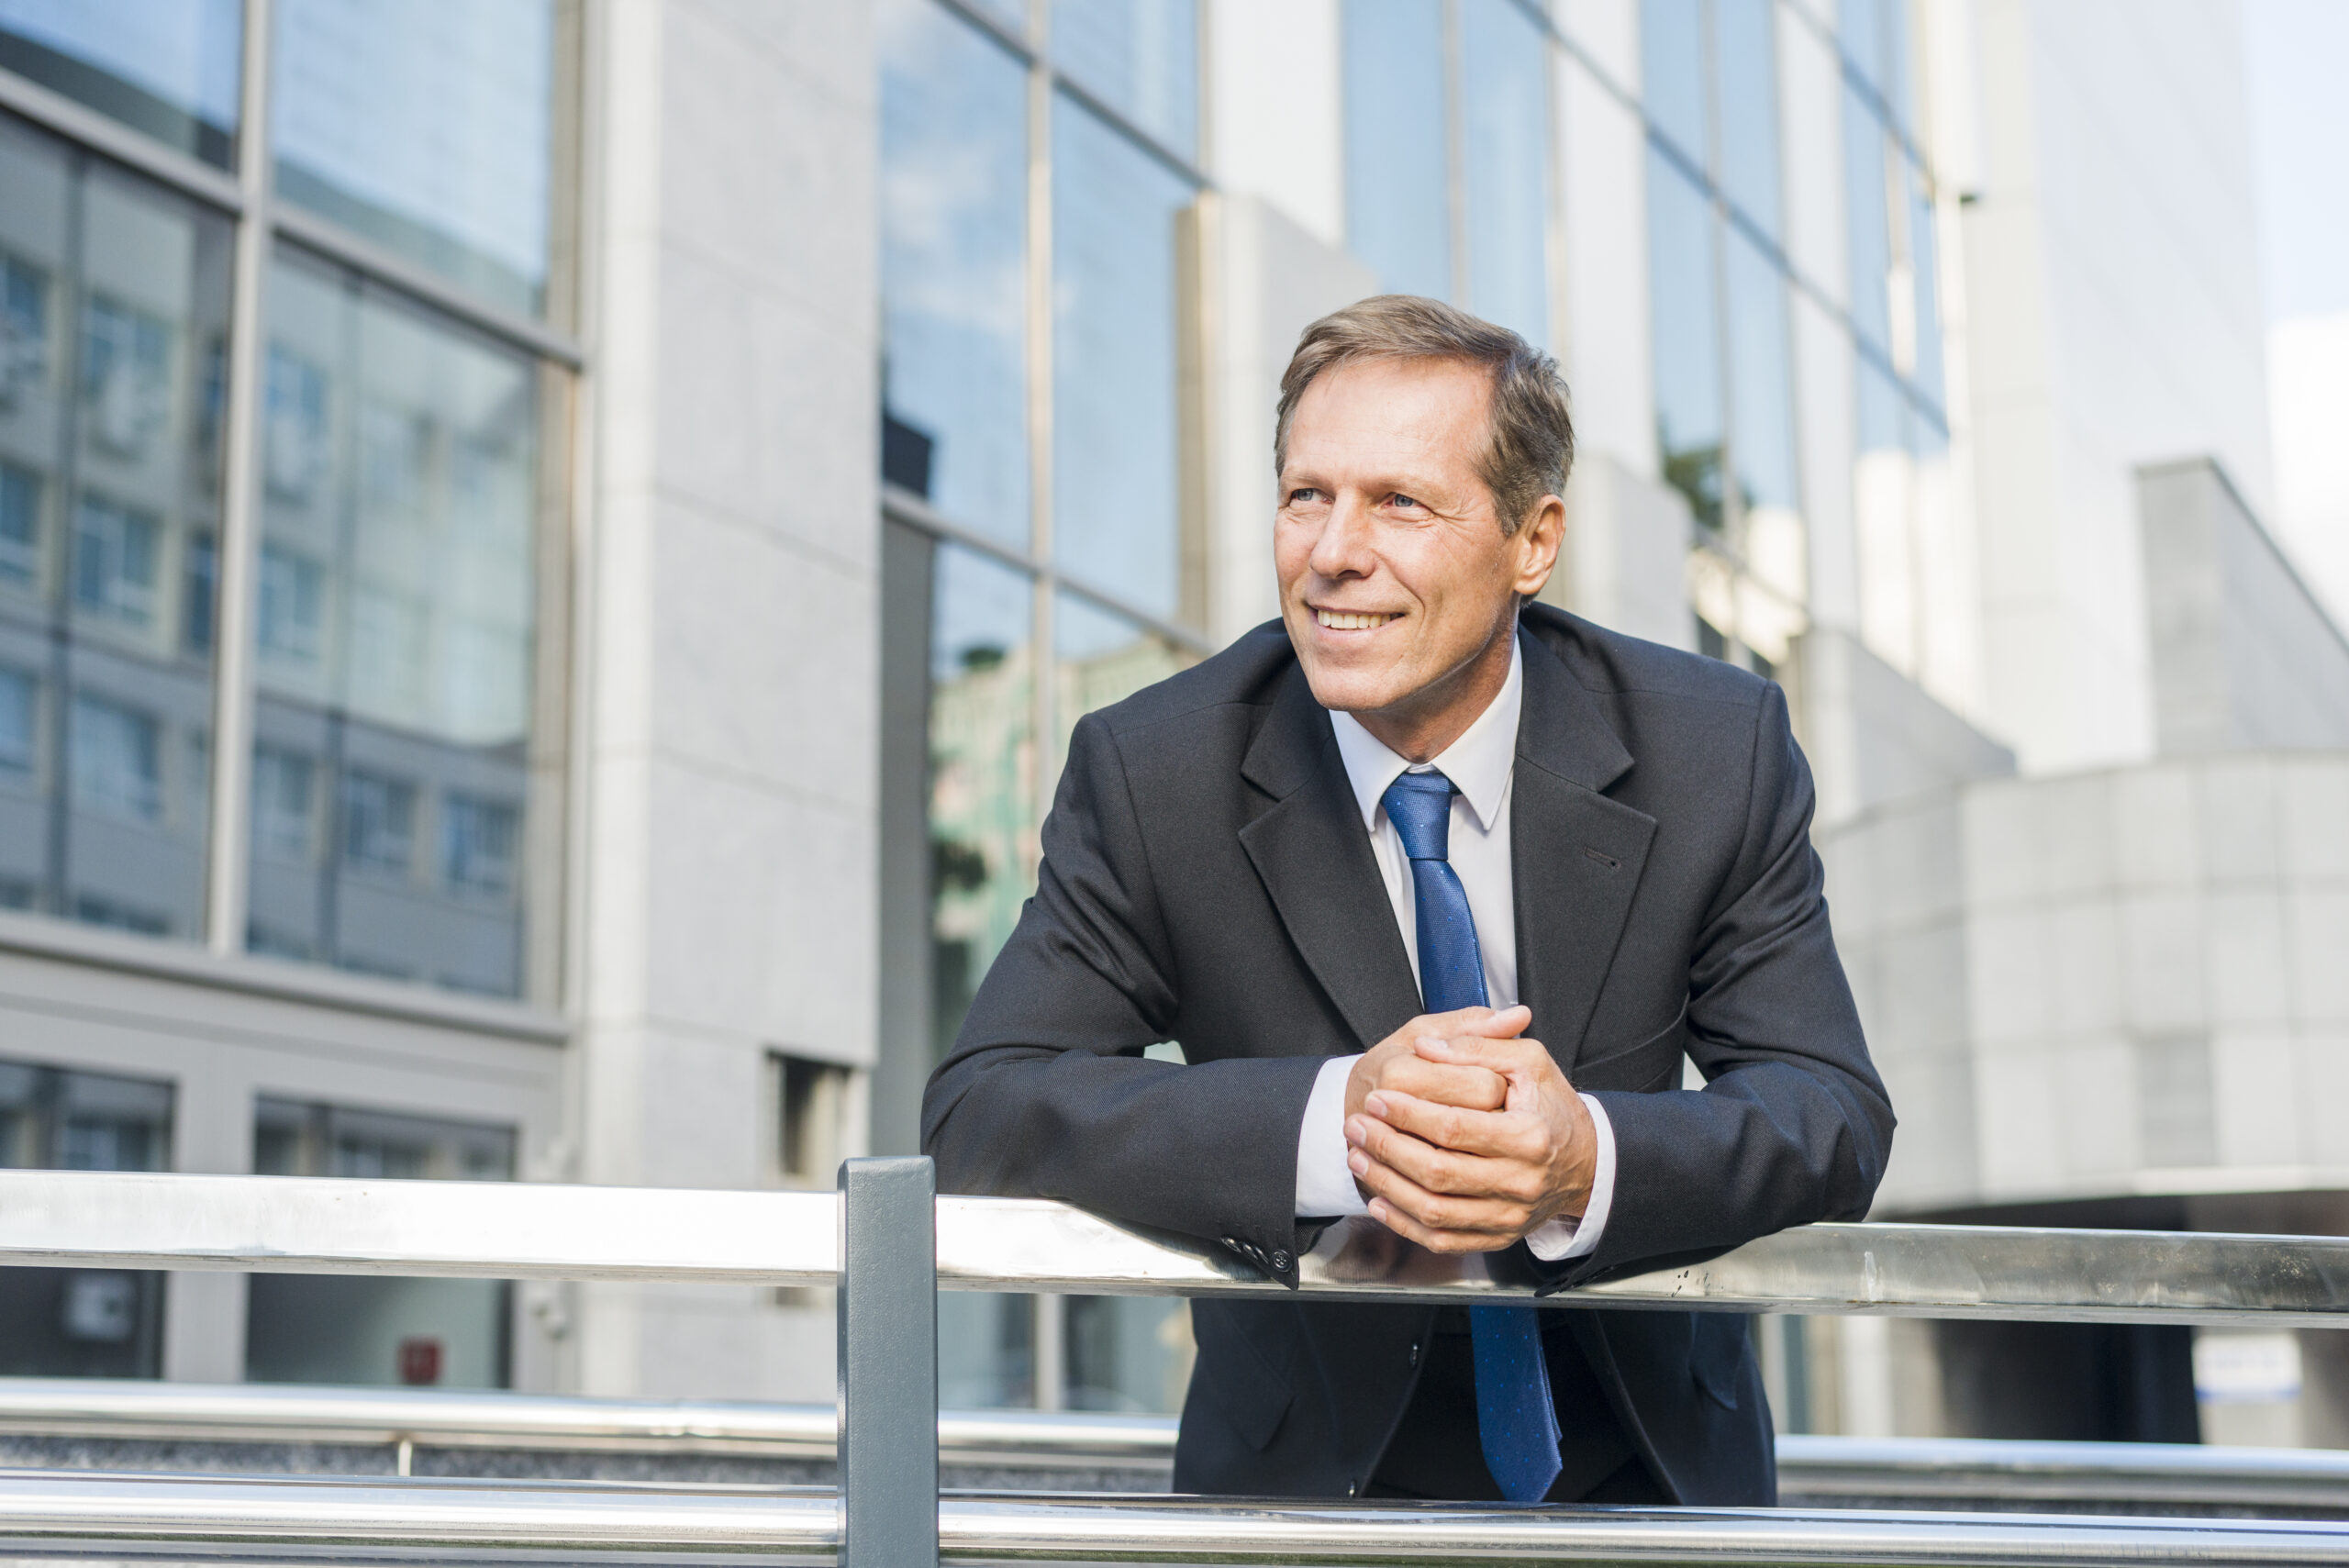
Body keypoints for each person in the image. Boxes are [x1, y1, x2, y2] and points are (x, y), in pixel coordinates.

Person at [921, 295, 1894, 1507]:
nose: (1332, 550)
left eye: (1400, 502)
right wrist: (1341, 1123)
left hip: (1645, 1486)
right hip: (1303, 1496)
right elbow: (982, 1108)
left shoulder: (1715, 747)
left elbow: (1831, 1111)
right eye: (1305, 495)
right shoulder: (1156, 772)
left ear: (1532, 542)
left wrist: (1586, 1156)